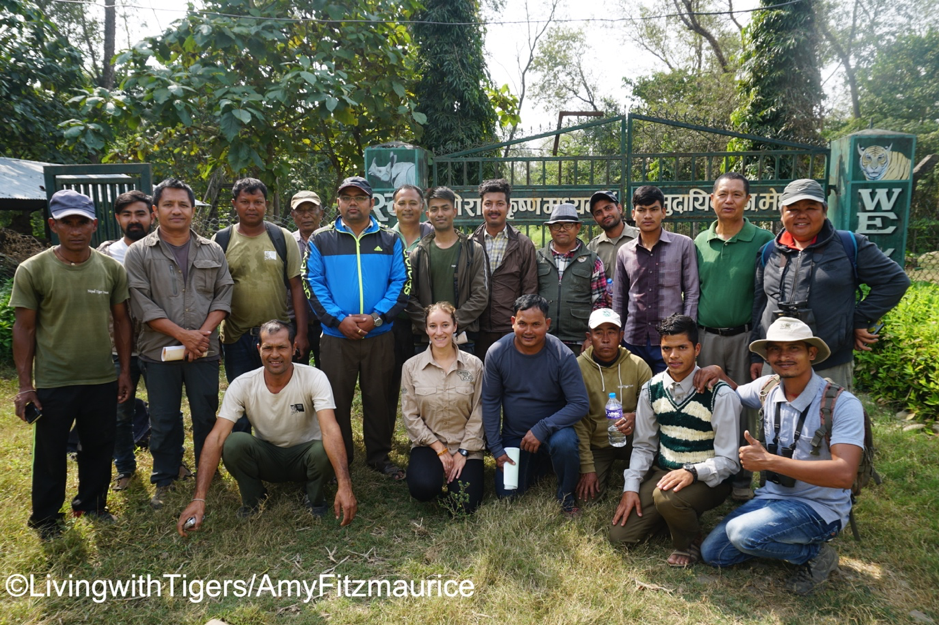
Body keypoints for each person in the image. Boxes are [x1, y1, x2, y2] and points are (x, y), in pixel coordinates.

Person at [700, 316, 865, 596]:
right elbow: (734, 394)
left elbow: (844, 474)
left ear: (811, 353)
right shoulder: (767, 388)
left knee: (742, 534)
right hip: (773, 498)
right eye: (775, 349)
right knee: (713, 554)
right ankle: (769, 536)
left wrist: (769, 462)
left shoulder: (842, 404)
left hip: (819, 507)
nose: (783, 356)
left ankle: (814, 555)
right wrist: (717, 372)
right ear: (767, 356)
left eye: (794, 349)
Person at [11, 189, 133, 538]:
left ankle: (92, 505)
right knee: (50, 453)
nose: (76, 230)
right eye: (68, 223)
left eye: (83, 222)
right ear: (54, 225)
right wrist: (25, 386)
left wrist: (124, 371)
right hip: (54, 380)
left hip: (100, 376)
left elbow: (123, 321)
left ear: (94, 224)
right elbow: (25, 327)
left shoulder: (110, 269)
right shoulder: (33, 270)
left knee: (98, 446)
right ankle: (47, 518)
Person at [176, 320, 356, 534]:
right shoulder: (243, 384)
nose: (275, 355)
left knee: (323, 448)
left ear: (294, 348)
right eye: (268, 348)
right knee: (234, 442)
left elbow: (330, 429)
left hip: (308, 457)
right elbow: (216, 438)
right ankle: (254, 498)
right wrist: (198, 498)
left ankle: (315, 497)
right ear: (259, 349)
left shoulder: (313, 377)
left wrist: (345, 485)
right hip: (268, 456)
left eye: (282, 347)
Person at [125, 178, 233, 510]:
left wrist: (200, 335)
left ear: (192, 210)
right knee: (164, 417)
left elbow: (224, 293)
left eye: (183, 205)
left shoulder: (212, 250)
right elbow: (140, 302)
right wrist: (182, 334)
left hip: (203, 351)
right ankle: (165, 477)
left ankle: (207, 470)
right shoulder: (139, 252)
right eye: (169, 205)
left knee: (205, 414)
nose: (176, 211)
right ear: (156, 211)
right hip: (159, 351)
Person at [750, 178, 909, 390]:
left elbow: (895, 281)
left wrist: (860, 318)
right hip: (777, 362)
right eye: (793, 209)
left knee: (828, 420)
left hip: (830, 363)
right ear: (782, 214)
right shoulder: (769, 251)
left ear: (824, 211)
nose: (801, 215)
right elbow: (760, 305)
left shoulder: (849, 245)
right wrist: (755, 356)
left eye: (811, 207)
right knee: (776, 420)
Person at [610, 314, 740, 567]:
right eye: (666, 348)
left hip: (709, 479)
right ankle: (674, 516)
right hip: (665, 472)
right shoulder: (651, 389)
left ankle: (688, 541)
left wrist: (692, 472)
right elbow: (644, 446)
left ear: (697, 348)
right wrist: (631, 488)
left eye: (682, 348)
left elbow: (729, 461)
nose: (673, 356)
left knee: (666, 498)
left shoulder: (721, 394)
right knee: (621, 537)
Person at [306, 176, 410, 480]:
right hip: (338, 338)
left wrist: (377, 317)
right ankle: (342, 456)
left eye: (360, 197)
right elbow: (313, 283)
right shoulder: (320, 239)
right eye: (347, 197)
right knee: (335, 399)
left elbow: (401, 281)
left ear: (372, 203)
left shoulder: (390, 239)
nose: (353, 203)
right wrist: (340, 320)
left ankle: (378, 456)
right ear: (337, 203)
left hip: (379, 335)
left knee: (379, 397)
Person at [694, 172, 774, 502]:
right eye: (723, 194)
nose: (729, 200)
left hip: (744, 338)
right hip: (706, 336)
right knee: (707, 403)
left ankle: (742, 479)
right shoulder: (699, 242)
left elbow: (767, 295)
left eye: (737, 194)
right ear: (711, 199)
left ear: (747, 200)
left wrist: (759, 351)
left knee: (742, 408)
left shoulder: (762, 240)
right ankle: (709, 471)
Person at [481, 294, 588, 515]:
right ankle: (540, 465)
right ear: (513, 322)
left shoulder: (562, 354)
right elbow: (490, 402)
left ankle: (566, 495)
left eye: (536, 324)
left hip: (553, 432)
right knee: (507, 495)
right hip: (515, 436)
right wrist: (496, 448)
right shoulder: (497, 353)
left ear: (547, 325)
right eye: (522, 324)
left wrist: (542, 428)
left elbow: (579, 404)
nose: (528, 331)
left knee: (566, 443)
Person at [214, 178, 308, 395]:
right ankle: (243, 432)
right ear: (234, 203)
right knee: (242, 397)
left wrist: (301, 333)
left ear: (265, 204)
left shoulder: (282, 238)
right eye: (245, 201)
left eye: (257, 202)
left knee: (281, 395)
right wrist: (212, 339)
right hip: (235, 337)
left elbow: (296, 286)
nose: (251, 207)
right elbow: (212, 291)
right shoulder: (221, 240)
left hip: (277, 336)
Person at [400, 302, 485, 515]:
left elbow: (480, 411)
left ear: (455, 326)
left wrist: (463, 451)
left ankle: (456, 479)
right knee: (423, 488)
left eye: (445, 325)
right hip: (429, 445)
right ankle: (435, 478)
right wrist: (440, 449)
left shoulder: (474, 365)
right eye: (433, 326)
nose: (439, 332)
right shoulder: (411, 367)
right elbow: (410, 416)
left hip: (466, 446)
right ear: (426, 329)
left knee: (463, 505)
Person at [97, 189, 154, 491]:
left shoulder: (161, 249)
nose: (134, 220)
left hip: (156, 343)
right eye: (128, 214)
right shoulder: (105, 255)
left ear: (151, 216)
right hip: (117, 347)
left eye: (140, 213)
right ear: (118, 218)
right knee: (120, 412)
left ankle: (170, 461)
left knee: (164, 409)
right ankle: (125, 467)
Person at [613, 185, 699, 374]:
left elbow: (692, 293)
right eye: (642, 210)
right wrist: (618, 333)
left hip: (671, 342)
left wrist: (688, 336)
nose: (648, 216)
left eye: (653, 209)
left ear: (664, 212)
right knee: (633, 397)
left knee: (668, 397)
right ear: (634, 214)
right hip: (633, 340)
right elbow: (619, 298)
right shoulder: (624, 252)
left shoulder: (683, 245)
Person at [574, 308, 652, 504]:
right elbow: (579, 423)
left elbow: (654, 410)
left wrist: (635, 415)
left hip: (633, 439)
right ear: (589, 337)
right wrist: (587, 468)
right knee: (588, 500)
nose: (606, 338)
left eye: (612, 331)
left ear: (621, 336)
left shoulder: (638, 365)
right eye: (598, 332)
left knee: (652, 491)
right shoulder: (577, 368)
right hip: (597, 444)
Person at [406, 186, 488, 354]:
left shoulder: (473, 250)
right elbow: (409, 298)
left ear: (454, 211)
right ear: (428, 214)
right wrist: (433, 328)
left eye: (445, 208)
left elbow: (481, 296)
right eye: (434, 209)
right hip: (425, 341)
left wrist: (450, 325)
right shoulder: (419, 253)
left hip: (463, 339)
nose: (440, 214)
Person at [470, 178, 538, 359]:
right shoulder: (469, 243)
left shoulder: (523, 244)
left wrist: (521, 327)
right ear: (481, 206)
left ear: (508, 207)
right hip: (477, 331)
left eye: (499, 204)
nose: (494, 209)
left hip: (510, 331)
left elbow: (530, 291)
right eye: (488, 204)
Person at [536, 203, 611, 354]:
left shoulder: (592, 260)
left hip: (579, 341)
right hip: (543, 339)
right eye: (557, 225)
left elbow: (600, 303)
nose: (562, 229)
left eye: (568, 225)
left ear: (577, 227)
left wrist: (591, 337)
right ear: (550, 229)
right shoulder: (537, 258)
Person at [387, 185, 433, 428]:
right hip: (393, 322)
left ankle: (427, 432)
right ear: (393, 207)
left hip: (426, 322)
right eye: (402, 203)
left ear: (422, 207)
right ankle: (389, 432)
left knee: (426, 381)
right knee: (391, 380)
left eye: (413, 203)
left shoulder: (435, 235)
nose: (407, 208)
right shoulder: (383, 237)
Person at [287, 189, 325, 367]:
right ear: (293, 215)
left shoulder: (331, 241)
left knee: (326, 375)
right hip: (293, 322)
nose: (307, 215)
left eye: (312, 210)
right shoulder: (286, 243)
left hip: (325, 321)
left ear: (321, 213)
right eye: (301, 211)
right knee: (294, 374)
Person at [586, 189, 638, 281]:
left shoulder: (640, 237)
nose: (605, 214)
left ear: (619, 208)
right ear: (595, 219)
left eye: (608, 208)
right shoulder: (593, 248)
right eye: (598, 213)